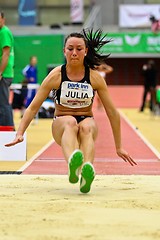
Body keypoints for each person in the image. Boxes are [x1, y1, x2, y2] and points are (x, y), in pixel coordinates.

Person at [5, 29, 136, 193]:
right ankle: (73, 164)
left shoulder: (94, 77)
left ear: (86, 51)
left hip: (87, 119)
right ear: (64, 51)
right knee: (70, 123)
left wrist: (119, 146)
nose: (74, 53)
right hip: (61, 122)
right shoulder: (56, 76)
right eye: (70, 49)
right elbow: (33, 107)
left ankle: (86, 171)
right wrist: (20, 133)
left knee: (86, 127)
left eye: (79, 49)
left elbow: (112, 113)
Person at [0, 11, 14, 127]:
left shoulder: (4, 32)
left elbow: (6, 54)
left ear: (3, 19)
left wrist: (0, 71)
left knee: (3, 104)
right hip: (4, 73)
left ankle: (9, 129)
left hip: (4, 74)